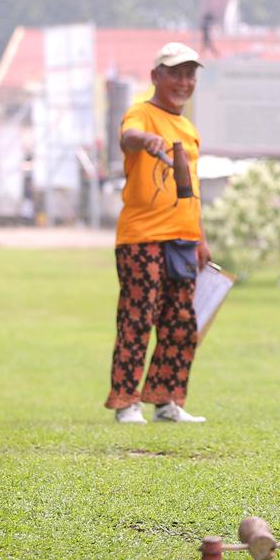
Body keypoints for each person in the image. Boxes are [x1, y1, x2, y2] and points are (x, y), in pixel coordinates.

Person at [105, 42, 212, 424]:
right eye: (175, 73)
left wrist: (200, 237)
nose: (184, 82)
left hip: (182, 238)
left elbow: (192, 188)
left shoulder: (189, 129)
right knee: (138, 316)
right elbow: (127, 137)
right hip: (142, 236)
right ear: (156, 77)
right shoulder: (142, 114)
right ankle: (126, 401)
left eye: (190, 74)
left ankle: (167, 400)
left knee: (181, 321)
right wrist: (145, 140)